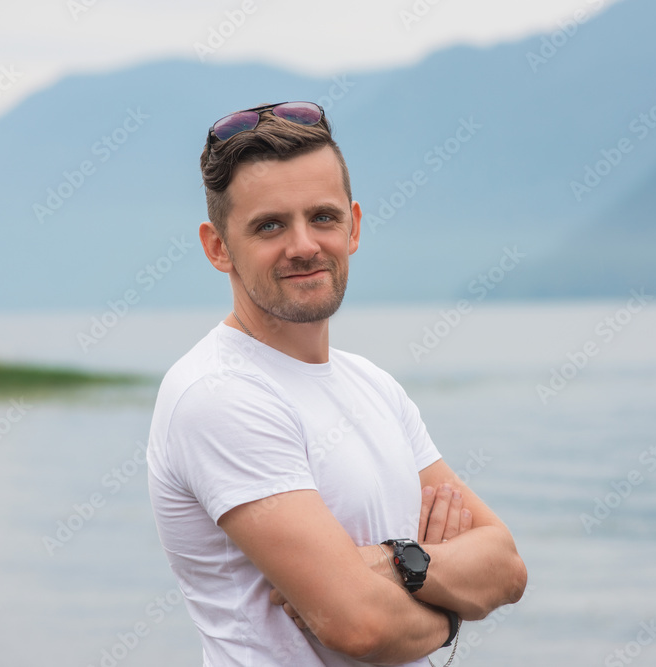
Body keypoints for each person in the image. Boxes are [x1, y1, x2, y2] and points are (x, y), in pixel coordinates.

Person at [146, 101, 527, 665]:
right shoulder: (217, 393)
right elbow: (361, 626)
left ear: (353, 227)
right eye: (270, 225)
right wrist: (451, 608)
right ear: (217, 247)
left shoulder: (372, 385)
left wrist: (396, 559)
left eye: (322, 217)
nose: (303, 245)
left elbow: (506, 566)